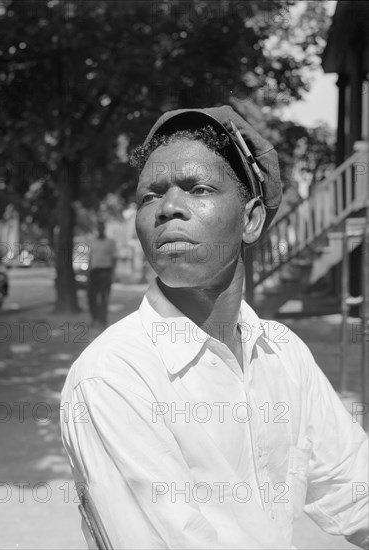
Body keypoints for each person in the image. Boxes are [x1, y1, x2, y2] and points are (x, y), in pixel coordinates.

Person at [61, 106, 368, 549]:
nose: (168, 208)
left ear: (251, 220)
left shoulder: (283, 353)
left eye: (197, 188)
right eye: (149, 197)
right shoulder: (112, 377)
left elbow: (353, 489)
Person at [87, 221, 117, 328]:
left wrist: (113, 274)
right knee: (91, 297)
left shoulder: (110, 242)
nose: (100, 229)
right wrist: (88, 272)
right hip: (93, 272)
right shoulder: (93, 242)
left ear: (103, 228)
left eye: (101, 228)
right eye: (98, 227)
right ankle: (94, 319)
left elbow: (114, 259)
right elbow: (90, 258)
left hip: (105, 272)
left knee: (104, 297)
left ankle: (103, 321)